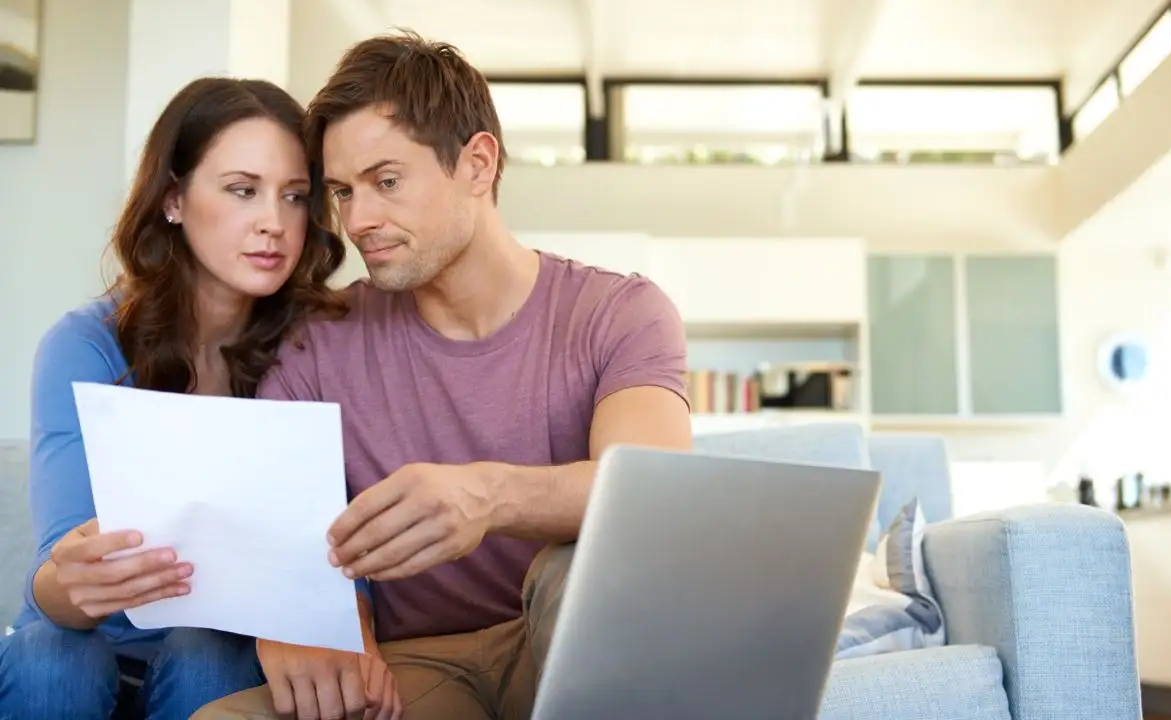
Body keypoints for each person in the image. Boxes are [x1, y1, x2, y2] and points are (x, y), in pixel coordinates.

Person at [193, 31, 693, 720]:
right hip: (417, 666)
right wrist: (298, 619)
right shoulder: (318, 343)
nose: (360, 220)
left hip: (565, 647)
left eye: (387, 181)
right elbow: (273, 525)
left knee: (573, 568)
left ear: (478, 165)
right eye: (342, 191)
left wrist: (488, 497)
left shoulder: (618, 312)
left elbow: (660, 492)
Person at [0, 77, 351, 719]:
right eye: (242, 190)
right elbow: (55, 585)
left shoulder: (320, 348)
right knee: (52, 654)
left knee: (206, 651)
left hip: (219, 664)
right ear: (173, 200)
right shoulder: (84, 345)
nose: (273, 223)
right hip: (83, 656)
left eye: (295, 197)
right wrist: (76, 578)